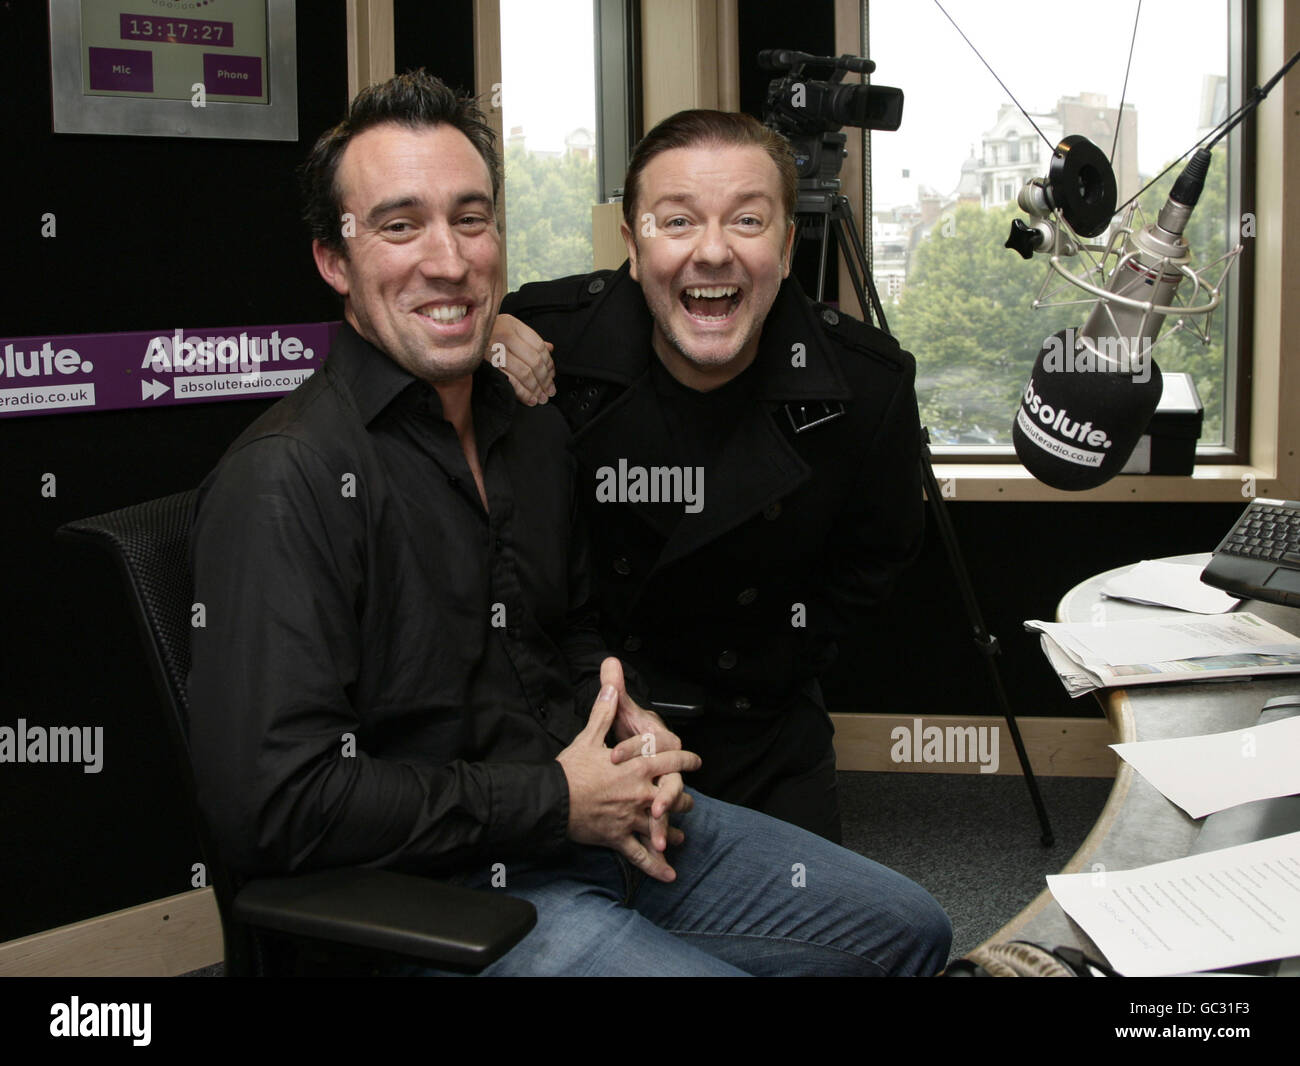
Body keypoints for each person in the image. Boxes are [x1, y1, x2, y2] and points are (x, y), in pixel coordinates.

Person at [187, 70, 949, 976]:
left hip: (601, 827)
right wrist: (551, 797)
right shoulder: (288, 478)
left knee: (912, 931)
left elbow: (571, 628)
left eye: (471, 219)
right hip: (444, 893)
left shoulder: (530, 425)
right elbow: (274, 806)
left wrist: (626, 719)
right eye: (400, 225)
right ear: (333, 258)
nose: (448, 258)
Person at [494, 109, 924, 843]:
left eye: (748, 222)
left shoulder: (866, 386)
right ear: (633, 247)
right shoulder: (550, 343)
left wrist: (766, 665)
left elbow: (872, 565)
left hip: (762, 732)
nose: (714, 252)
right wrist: (487, 340)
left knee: (838, 940)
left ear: (787, 248)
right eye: (678, 222)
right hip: (585, 729)